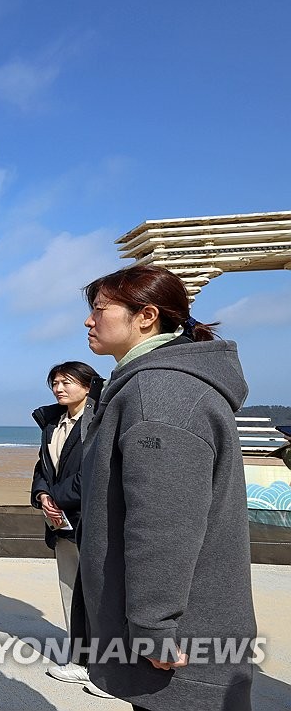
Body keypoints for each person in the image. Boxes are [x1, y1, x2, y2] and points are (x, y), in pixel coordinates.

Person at [78, 264, 256, 710]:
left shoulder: (158, 394)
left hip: (179, 647)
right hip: (190, 632)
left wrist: (154, 626)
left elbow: (163, 522)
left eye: (100, 309)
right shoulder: (159, 385)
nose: (88, 321)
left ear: (146, 316)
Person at [29, 361, 112, 697]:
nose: (59, 388)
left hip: (92, 519)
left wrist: (56, 498)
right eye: (55, 383)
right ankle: (79, 660)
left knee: (102, 595)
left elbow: (94, 471)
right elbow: (43, 465)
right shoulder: (53, 422)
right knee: (70, 591)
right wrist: (42, 495)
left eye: (67, 382)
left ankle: (110, 672)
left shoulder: (98, 420)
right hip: (61, 522)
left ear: (88, 384)